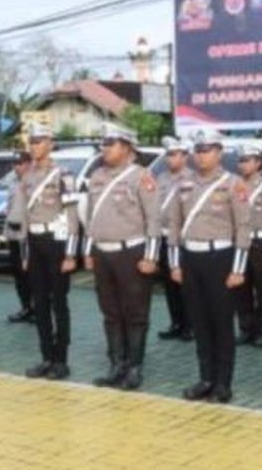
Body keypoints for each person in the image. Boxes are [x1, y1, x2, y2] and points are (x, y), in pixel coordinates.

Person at [168, 129, 251, 403]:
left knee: (221, 322)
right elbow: (175, 225)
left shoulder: (233, 183)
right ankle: (205, 378)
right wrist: (175, 263)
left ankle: (223, 383)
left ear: (219, 152)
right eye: (198, 150)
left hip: (221, 258)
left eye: (207, 150)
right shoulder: (183, 183)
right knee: (200, 322)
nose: (201, 155)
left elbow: (243, 228)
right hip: (192, 259)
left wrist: (238, 269)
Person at [84, 123, 161, 390]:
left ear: (127, 148)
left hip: (132, 252)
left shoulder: (142, 176)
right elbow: (91, 216)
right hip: (103, 252)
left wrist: (150, 256)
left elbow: (153, 219)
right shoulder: (96, 176)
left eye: (111, 144)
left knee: (135, 312)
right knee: (111, 312)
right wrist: (88, 250)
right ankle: (116, 365)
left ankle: (135, 367)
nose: (105, 149)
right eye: (103, 144)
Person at [13, 124, 79, 379]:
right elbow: (23, 217)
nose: (34, 146)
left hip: (56, 241)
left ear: (50, 144)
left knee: (59, 303)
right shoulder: (26, 177)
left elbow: (72, 215)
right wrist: (26, 253)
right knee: (39, 303)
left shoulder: (64, 175)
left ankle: (61, 360)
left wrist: (71, 254)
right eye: (32, 141)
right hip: (35, 241)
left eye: (40, 141)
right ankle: (45, 357)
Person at [236, 142, 262, 349]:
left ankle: (261, 332)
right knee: (241, 288)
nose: (243, 165)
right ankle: (245, 329)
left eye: (247, 160)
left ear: (258, 163)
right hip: (240, 243)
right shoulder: (234, 185)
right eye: (240, 161)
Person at [156, 136, 195, 342]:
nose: (170, 159)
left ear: (185, 156)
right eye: (168, 155)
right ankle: (176, 322)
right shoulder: (160, 178)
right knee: (169, 284)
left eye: (174, 155)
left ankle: (191, 325)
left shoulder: (193, 179)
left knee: (185, 285)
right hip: (163, 237)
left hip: (182, 240)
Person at [4, 150, 34, 324]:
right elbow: (9, 208)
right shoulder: (13, 182)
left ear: (29, 163)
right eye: (15, 164)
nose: (17, 167)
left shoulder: (33, 182)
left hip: (28, 235)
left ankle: (36, 308)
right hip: (13, 234)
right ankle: (26, 307)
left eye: (21, 163)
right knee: (18, 274)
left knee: (30, 273)